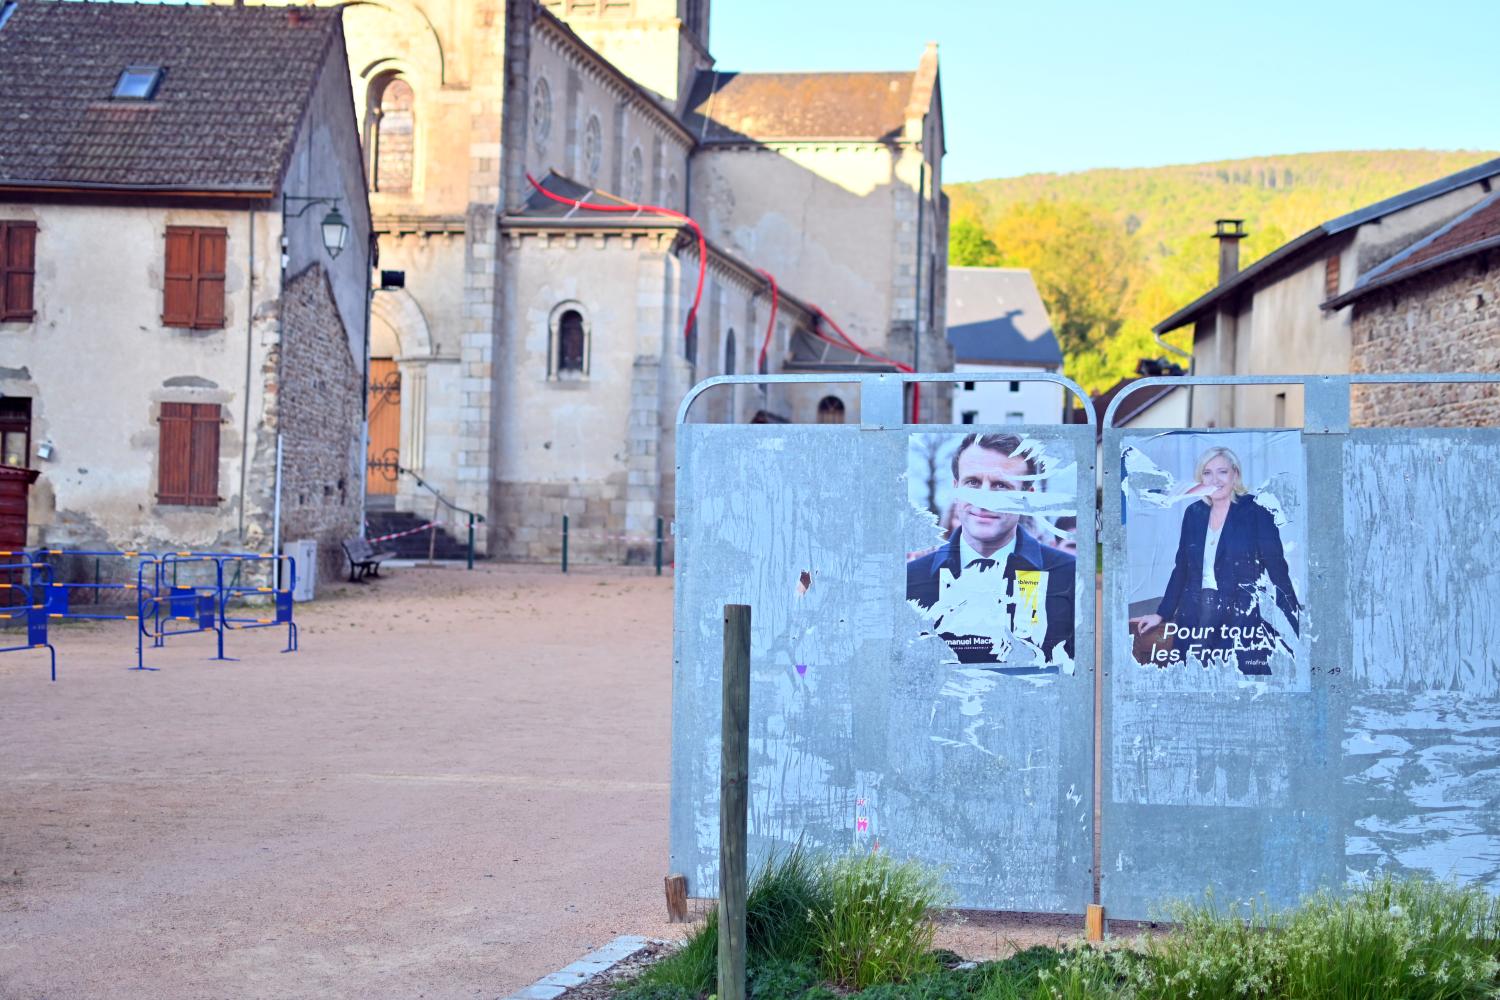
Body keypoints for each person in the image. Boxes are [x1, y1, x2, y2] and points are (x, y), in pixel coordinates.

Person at [907, 433, 1075, 668]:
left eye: (1001, 485)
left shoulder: (1070, 576)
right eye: (973, 482)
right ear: (956, 489)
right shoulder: (910, 579)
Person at [1129, 446, 1299, 675]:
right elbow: (1182, 569)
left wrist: (1294, 617)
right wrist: (1162, 613)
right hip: (1195, 614)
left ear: (1235, 475)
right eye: (1207, 473)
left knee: (1240, 681)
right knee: (1192, 679)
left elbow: (1277, 568)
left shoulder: (1257, 511)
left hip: (1239, 615)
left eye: (1222, 472)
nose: (1215, 479)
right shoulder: (1194, 514)